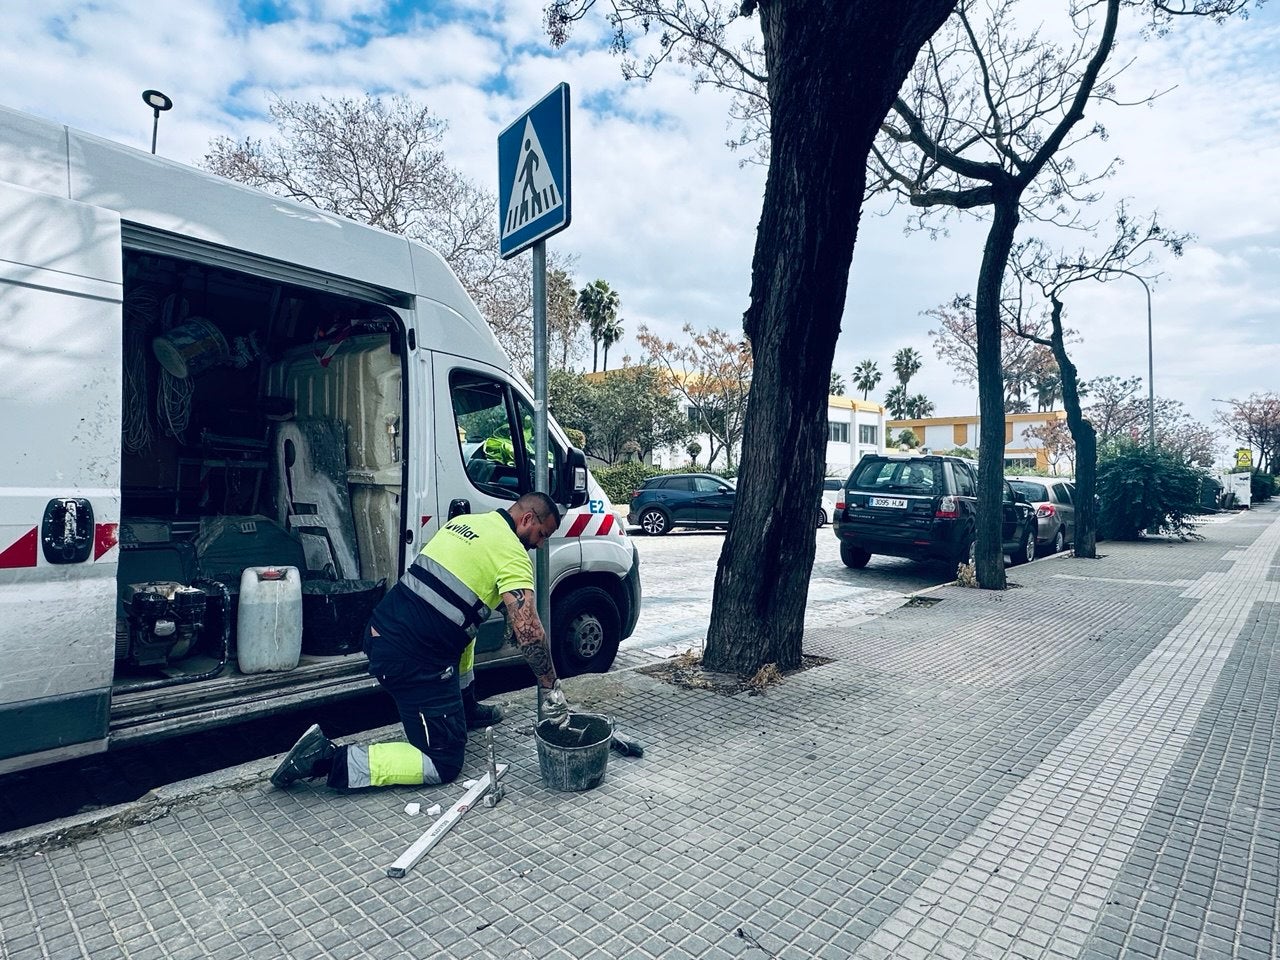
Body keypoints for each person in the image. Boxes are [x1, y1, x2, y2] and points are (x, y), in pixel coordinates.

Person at [271, 491, 568, 791]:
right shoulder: (512, 553)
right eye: (542, 535)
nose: (540, 544)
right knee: (443, 761)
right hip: (415, 660)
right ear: (528, 518)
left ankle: (465, 708)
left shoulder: (464, 524)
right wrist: (550, 687)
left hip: (381, 632)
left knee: (466, 630)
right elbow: (529, 633)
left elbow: (453, 606)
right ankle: (326, 759)